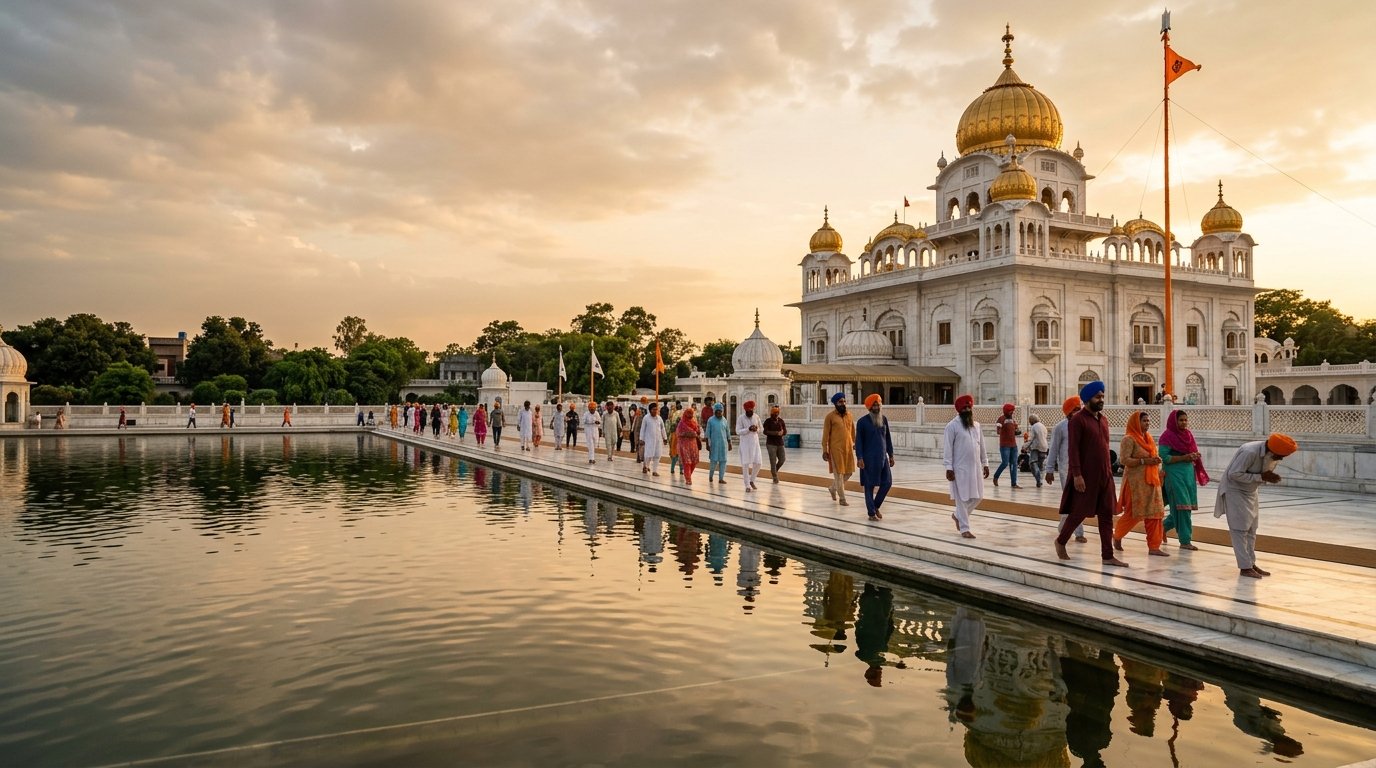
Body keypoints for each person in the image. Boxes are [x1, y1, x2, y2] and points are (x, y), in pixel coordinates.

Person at [1054, 381, 1128, 567]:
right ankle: (1061, 541)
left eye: (1102, 396)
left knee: (1106, 515)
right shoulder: (1078, 420)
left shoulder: (1103, 420)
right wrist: (1077, 475)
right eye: (1097, 397)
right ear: (1087, 399)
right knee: (1078, 512)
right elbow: (1074, 450)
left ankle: (1107, 555)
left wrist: (1109, 472)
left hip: (1105, 475)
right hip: (1086, 476)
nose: (1101, 400)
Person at [1214, 434, 1297, 578]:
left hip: (1251, 491)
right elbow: (1234, 474)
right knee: (1239, 529)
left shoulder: (1270, 454)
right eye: (1280, 455)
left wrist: (1266, 476)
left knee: (1252, 529)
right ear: (1272, 450)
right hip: (1235, 491)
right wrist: (1261, 477)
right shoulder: (1250, 452)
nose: (1281, 459)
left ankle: (1250, 563)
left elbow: (1262, 472)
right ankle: (1245, 567)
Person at [1112, 411, 1169, 557]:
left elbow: (1152, 456)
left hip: (1152, 482)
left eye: (1148, 421)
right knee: (1134, 514)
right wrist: (1144, 461)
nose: (1147, 423)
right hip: (1135, 484)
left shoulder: (1149, 438)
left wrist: (1157, 462)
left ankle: (1154, 547)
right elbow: (1124, 460)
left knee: (1155, 514)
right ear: (1136, 423)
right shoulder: (1128, 439)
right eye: (1144, 421)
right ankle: (1117, 536)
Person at [1160, 410, 1208, 551]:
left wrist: (1194, 455)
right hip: (1174, 475)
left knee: (1183, 507)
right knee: (1182, 507)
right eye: (1181, 420)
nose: (1184, 422)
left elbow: (1190, 452)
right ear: (1174, 421)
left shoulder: (1188, 435)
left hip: (1187, 474)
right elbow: (1164, 457)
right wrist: (1183, 458)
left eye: (1185, 420)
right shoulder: (1167, 436)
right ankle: (1185, 540)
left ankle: (1162, 528)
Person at [943, 395, 989, 539]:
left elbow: (981, 446)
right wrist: (948, 467)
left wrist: (985, 463)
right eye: (965, 407)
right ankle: (965, 528)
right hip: (959, 468)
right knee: (962, 498)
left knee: (978, 496)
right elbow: (947, 448)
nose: (967, 409)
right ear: (959, 410)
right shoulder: (952, 426)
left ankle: (957, 515)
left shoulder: (976, 425)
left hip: (975, 468)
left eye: (969, 407)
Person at [1045, 396, 1087, 543]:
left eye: (1079, 409)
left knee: (1078, 501)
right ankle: (1079, 532)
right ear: (1068, 412)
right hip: (1066, 470)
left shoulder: (1085, 424)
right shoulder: (1060, 427)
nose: (1079, 412)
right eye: (1075, 410)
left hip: (1083, 469)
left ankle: (1064, 526)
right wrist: (1049, 469)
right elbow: (1054, 450)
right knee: (1074, 500)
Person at [854, 394, 894, 521]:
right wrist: (859, 458)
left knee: (887, 483)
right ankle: (871, 513)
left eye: (878, 404)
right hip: (868, 459)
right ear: (869, 407)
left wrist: (891, 455)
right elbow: (858, 441)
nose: (877, 407)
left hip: (883, 458)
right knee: (869, 485)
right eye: (874, 405)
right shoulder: (862, 422)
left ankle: (875, 506)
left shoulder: (884, 419)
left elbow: (888, 438)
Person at [821, 392, 856, 506]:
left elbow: (852, 431)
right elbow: (825, 435)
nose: (843, 403)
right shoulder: (830, 417)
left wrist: (856, 443)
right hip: (835, 450)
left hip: (848, 448)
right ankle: (842, 498)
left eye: (844, 401)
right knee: (839, 474)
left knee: (849, 472)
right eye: (840, 402)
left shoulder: (849, 415)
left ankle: (833, 488)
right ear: (835, 403)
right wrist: (824, 450)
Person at [736, 400, 763, 491]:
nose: (750, 412)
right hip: (745, 445)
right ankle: (747, 485)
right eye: (748, 411)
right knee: (745, 464)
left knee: (758, 463)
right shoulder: (741, 418)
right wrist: (748, 429)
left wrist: (756, 429)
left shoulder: (756, 417)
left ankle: (752, 480)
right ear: (745, 410)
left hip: (755, 444)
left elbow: (761, 428)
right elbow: (738, 431)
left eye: (751, 410)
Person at [992, 403, 1021, 488]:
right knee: (1005, 463)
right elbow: (998, 431)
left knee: (1014, 464)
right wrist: (1004, 431)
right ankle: (996, 476)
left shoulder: (1012, 419)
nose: (1012, 412)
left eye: (1012, 411)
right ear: (1006, 411)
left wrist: (1016, 431)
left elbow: (1016, 429)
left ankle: (1014, 483)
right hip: (1005, 445)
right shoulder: (1001, 419)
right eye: (1010, 411)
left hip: (1013, 445)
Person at [705, 403, 731, 483]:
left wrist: (729, 443)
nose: (719, 413)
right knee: (713, 461)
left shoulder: (724, 420)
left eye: (720, 411)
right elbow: (707, 434)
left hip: (723, 445)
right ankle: (711, 476)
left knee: (723, 461)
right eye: (717, 411)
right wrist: (707, 444)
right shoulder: (711, 420)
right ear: (715, 411)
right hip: (714, 445)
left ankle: (721, 478)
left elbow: (728, 432)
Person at [676, 407, 703, 484]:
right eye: (688, 414)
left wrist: (695, 433)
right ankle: (688, 479)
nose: (690, 415)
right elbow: (678, 433)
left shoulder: (694, 422)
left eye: (691, 414)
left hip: (693, 445)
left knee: (694, 462)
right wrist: (688, 433)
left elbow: (698, 431)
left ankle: (688, 475)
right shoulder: (681, 423)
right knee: (687, 462)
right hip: (684, 445)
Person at [763, 405, 788, 483]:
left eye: (777, 412)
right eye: (774, 412)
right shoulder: (768, 421)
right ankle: (774, 476)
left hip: (780, 443)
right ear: (771, 413)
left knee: (782, 459)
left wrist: (782, 432)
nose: (776, 414)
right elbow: (765, 431)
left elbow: (785, 431)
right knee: (773, 461)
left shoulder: (781, 421)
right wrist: (776, 433)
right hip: (771, 444)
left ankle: (774, 470)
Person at [640, 402, 666, 476]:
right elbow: (642, 429)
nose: (655, 411)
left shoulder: (659, 418)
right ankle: (646, 466)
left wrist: (665, 438)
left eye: (656, 409)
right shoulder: (646, 418)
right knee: (648, 454)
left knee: (657, 455)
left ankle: (654, 471)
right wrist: (641, 439)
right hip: (649, 440)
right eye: (654, 409)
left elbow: (662, 428)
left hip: (658, 440)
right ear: (650, 410)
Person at [1026, 413, 1048, 488]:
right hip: (1044, 447)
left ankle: (1038, 480)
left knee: (1033, 463)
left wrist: (1024, 446)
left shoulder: (1034, 427)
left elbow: (1031, 439)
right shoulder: (1043, 426)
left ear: (1032, 421)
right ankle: (1040, 480)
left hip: (1036, 447)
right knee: (1041, 466)